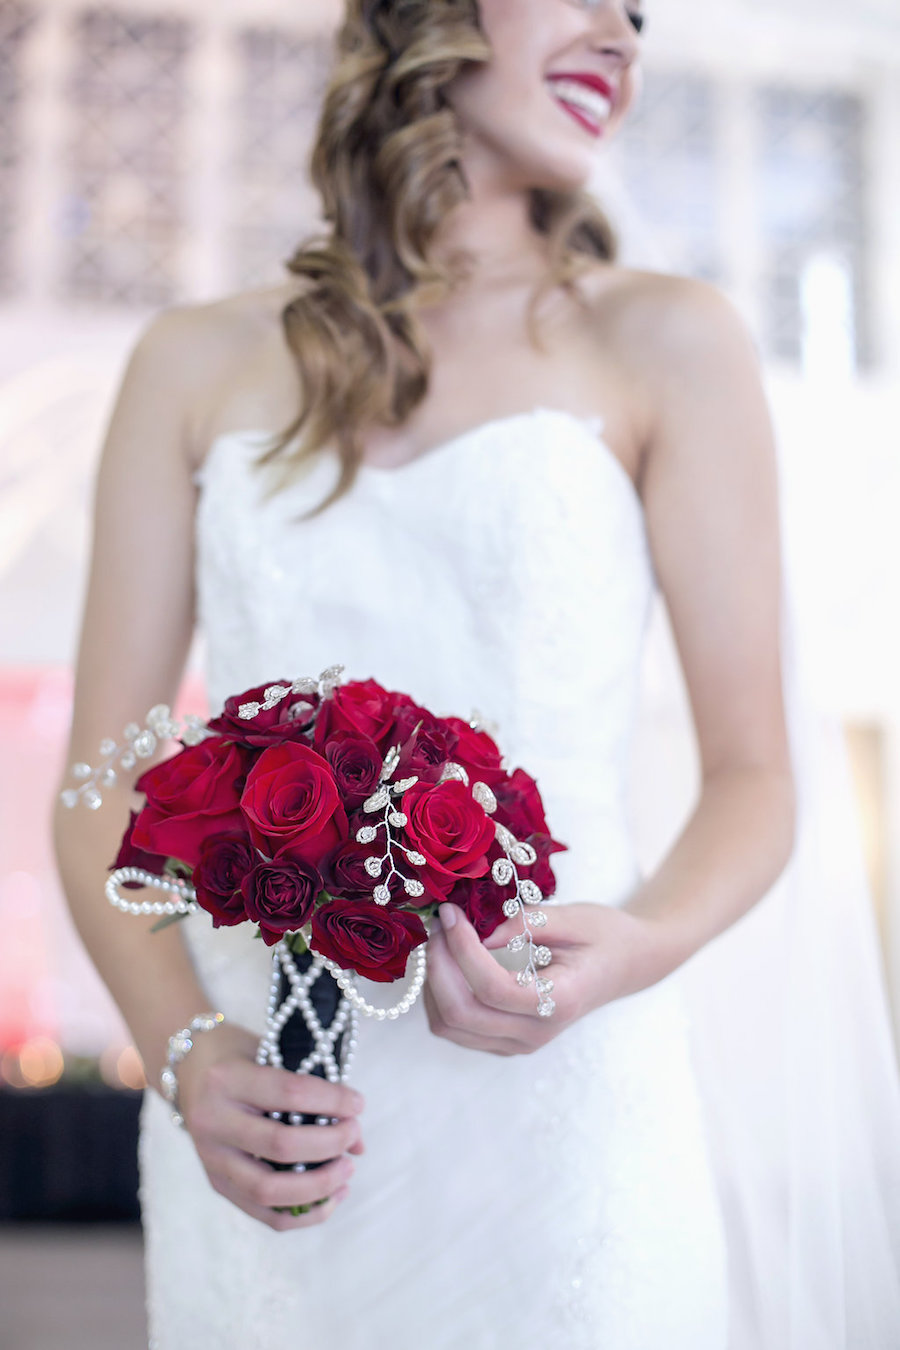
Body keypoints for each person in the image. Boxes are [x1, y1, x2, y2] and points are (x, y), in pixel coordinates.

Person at [53, 0, 863, 1345]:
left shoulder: (669, 342)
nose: (622, 35)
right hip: (264, 1120)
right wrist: (188, 1054)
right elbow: (102, 783)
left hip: (560, 1110)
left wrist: (639, 946)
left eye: (642, 16)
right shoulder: (190, 362)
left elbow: (756, 774)